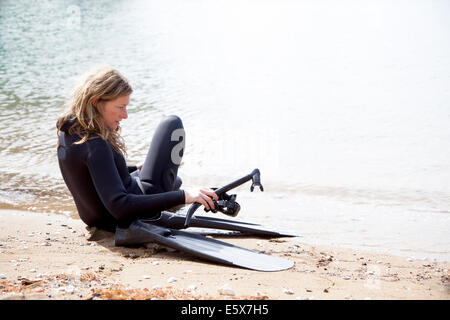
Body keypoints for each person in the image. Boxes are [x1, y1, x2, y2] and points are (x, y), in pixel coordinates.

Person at [56, 67, 218, 232]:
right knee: (172, 123)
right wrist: (184, 196)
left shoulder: (68, 132)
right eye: (120, 107)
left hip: (96, 217)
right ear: (96, 102)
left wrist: (134, 168)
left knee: (174, 180)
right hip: (124, 213)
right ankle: (179, 190)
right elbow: (120, 207)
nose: (125, 115)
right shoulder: (96, 145)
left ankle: (170, 185)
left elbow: (94, 174)